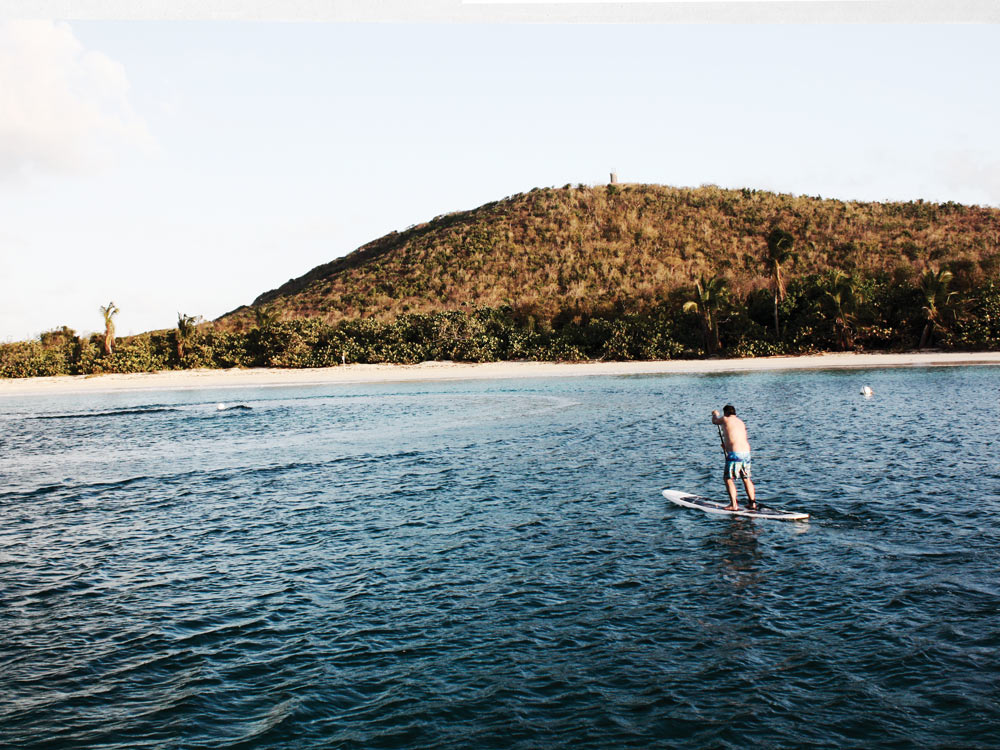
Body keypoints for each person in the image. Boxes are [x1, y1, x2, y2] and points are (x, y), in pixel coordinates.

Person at [711, 404, 757, 511]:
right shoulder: (740, 422)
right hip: (746, 453)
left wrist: (715, 414)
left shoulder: (726, 419)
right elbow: (735, 437)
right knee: (746, 478)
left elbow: (715, 421)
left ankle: (733, 505)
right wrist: (726, 446)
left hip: (735, 454)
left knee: (728, 478)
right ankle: (752, 504)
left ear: (726, 413)